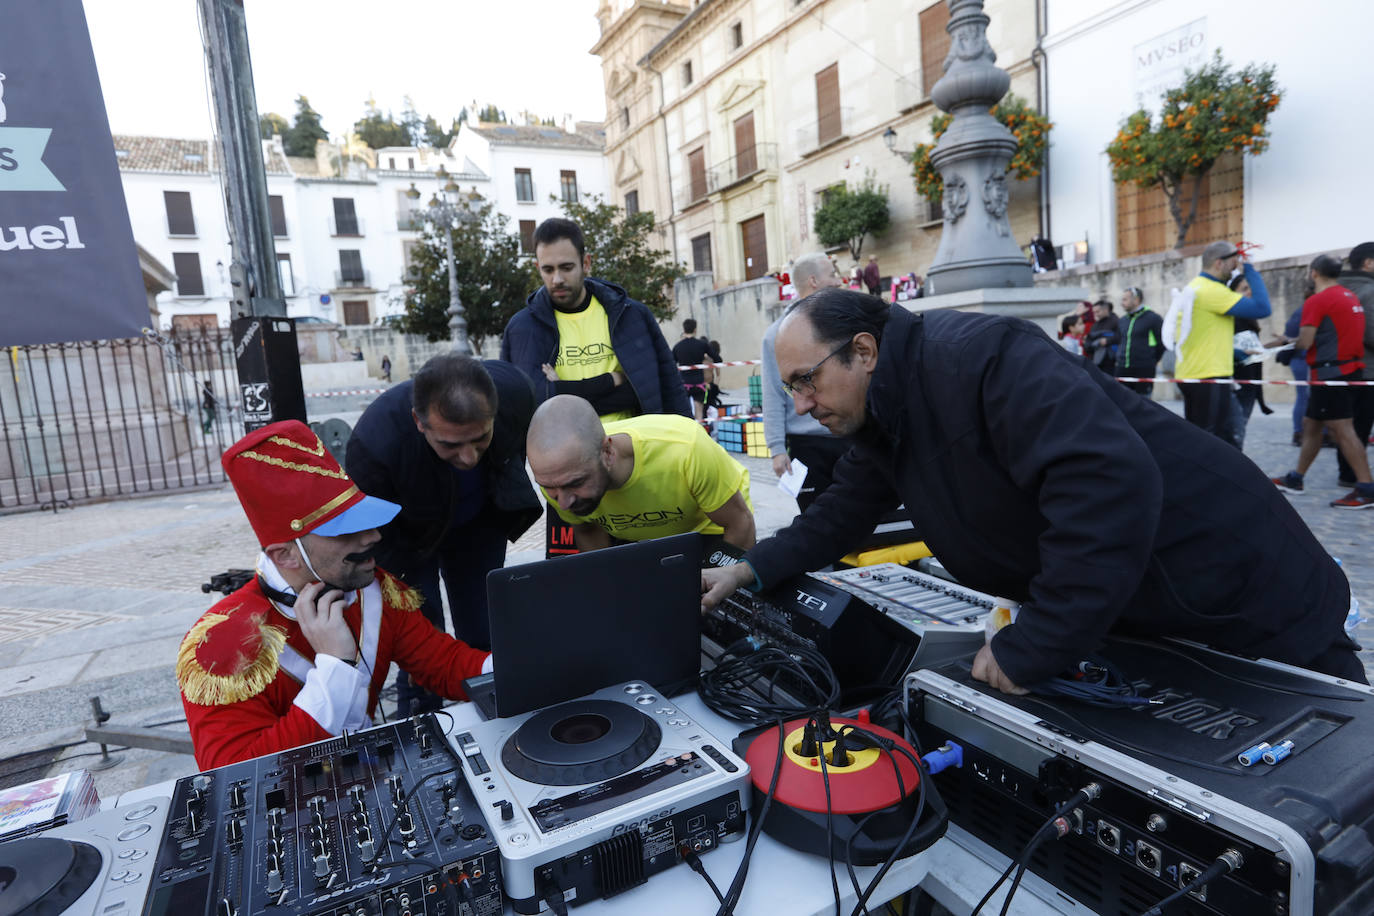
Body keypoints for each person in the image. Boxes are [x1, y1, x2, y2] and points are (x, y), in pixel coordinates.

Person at [701, 289, 1364, 694]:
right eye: (791, 388)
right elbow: (843, 510)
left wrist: (1037, 642)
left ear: (865, 351)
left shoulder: (982, 358)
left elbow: (1107, 481)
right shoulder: (887, 413)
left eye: (807, 380)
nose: (803, 403)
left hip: (1244, 587)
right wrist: (756, 568)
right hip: (1161, 609)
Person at [177, 420, 491, 769]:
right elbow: (236, 779)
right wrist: (335, 668)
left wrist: (522, 668)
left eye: (366, 520)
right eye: (345, 530)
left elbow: (445, 665)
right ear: (286, 555)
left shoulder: (375, 590)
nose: (373, 536)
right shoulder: (220, 643)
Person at [346, 354, 540, 714]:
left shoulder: (517, 392)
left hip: (479, 523)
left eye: (480, 439)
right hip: (407, 539)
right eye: (450, 445)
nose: (468, 457)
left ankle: (497, 712)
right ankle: (422, 721)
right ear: (419, 422)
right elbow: (378, 540)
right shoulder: (375, 443)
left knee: (484, 629)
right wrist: (417, 622)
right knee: (422, 642)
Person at [500, 217, 690, 422]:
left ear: (586, 263)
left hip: (634, 449)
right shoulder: (522, 328)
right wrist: (612, 380)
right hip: (562, 452)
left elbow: (659, 388)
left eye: (566, 267)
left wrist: (561, 391)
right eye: (548, 270)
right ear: (538, 267)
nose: (557, 279)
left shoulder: (632, 315)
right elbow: (529, 401)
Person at [527, 395, 755, 552]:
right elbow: (587, 530)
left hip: (708, 528)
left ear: (607, 452)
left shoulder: (686, 449)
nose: (563, 503)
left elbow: (740, 525)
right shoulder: (556, 477)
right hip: (635, 538)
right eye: (549, 487)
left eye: (575, 483)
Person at [1270, 255, 1374, 509]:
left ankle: (1366, 488)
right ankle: (1296, 478)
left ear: (1313, 273)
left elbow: (1305, 342)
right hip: (1345, 369)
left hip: (1330, 373)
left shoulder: (1318, 300)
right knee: (1312, 425)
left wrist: (1281, 342)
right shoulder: (1348, 296)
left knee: (1343, 430)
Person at [763, 252, 849, 511]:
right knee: (819, 520)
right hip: (808, 446)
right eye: (832, 275)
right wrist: (777, 448)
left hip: (852, 437)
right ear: (813, 280)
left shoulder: (845, 325)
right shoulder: (777, 336)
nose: (838, 282)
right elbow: (773, 392)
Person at [1170, 240, 1271, 445]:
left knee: (1219, 440)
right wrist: (1250, 269)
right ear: (1219, 263)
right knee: (1207, 444)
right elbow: (1262, 308)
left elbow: (1204, 335)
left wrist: (1236, 353)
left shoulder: (1198, 287)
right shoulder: (1211, 291)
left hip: (1199, 374)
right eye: (1234, 263)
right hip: (1207, 376)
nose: (1236, 268)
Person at [1336, 242, 1374, 487]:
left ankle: (1348, 473)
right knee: (1359, 425)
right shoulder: (1370, 291)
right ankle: (1354, 477)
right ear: (1369, 263)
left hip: (1335, 369)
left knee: (1346, 424)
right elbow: (1372, 333)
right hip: (1366, 367)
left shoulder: (1334, 287)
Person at [1227, 274, 1272, 449]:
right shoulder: (1229, 317)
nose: (1249, 294)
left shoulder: (1250, 319)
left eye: (1251, 290)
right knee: (1233, 434)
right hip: (1233, 382)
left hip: (1250, 383)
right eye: (1244, 289)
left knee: (1238, 432)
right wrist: (1239, 353)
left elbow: (1253, 349)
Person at [1114, 287, 1164, 395]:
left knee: (1144, 403)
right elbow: (1119, 341)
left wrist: (1150, 360)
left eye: (1125, 299)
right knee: (1122, 403)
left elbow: (1161, 343)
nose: (1122, 303)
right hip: (1122, 368)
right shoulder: (1122, 320)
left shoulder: (1153, 318)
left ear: (1136, 300)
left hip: (1144, 369)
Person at [672, 318, 714, 422]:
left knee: (685, 415)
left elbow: (671, 363)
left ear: (684, 329)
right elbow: (717, 358)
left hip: (684, 384)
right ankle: (698, 436)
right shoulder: (702, 345)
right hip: (699, 383)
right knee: (699, 415)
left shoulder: (678, 347)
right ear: (695, 330)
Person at [1084, 299, 1120, 374]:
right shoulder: (1095, 325)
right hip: (1096, 361)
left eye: (1098, 312)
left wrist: (1107, 341)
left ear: (1106, 310)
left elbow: (1121, 336)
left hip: (1111, 362)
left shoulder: (1116, 321)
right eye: (1094, 312)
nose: (1096, 314)